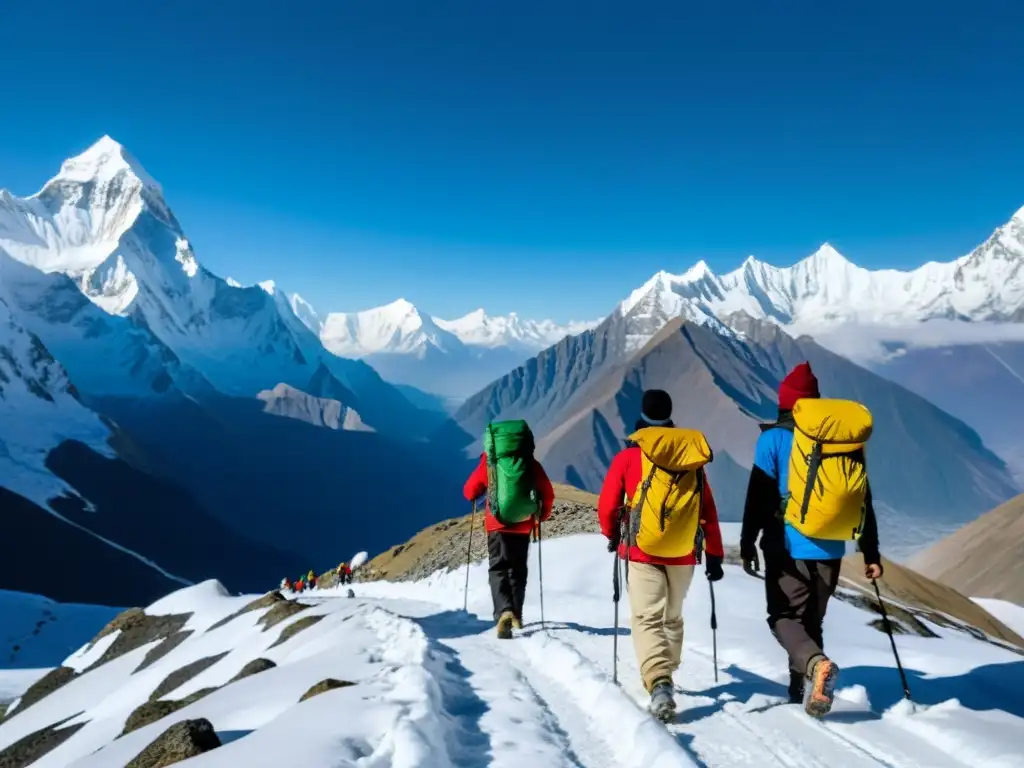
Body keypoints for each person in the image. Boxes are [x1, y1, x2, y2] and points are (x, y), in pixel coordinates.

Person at [740, 362, 882, 718]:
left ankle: (815, 667)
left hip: (786, 546)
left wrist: (747, 542)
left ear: (785, 403)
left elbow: (757, 498)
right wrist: (870, 552)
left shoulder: (772, 439)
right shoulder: (844, 441)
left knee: (783, 617)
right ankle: (804, 689)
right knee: (812, 621)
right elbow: (861, 499)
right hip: (832, 545)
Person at [597, 389, 725, 722]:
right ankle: (667, 671)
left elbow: (608, 505)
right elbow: (706, 510)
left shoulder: (628, 457)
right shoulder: (691, 457)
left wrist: (612, 535)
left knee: (646, 618)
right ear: (670, 415)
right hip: (683, 552)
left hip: (641, 550)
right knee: (672, 617)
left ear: (642, 414)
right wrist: (714, 552)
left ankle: (659, 681)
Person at [463, 425, 555, 639]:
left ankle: (503, 611)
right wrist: (542, 515)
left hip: (497, 524)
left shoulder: (490, 463)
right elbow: (547, 493)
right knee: (518, 570)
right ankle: (516, 614)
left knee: (498, 568)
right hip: (523, 524)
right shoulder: (530, 464)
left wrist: (476, 494)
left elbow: (469, 491)